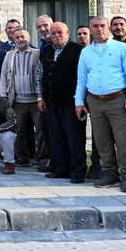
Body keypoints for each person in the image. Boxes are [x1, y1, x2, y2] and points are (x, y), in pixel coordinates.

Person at [75, 16, 126, 193]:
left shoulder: (122, 48)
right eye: (95, 26)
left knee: (123, 140)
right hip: (94, 101)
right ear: (90, 29)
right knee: (102, 140)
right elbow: (81, 78)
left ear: (109, 28)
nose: (99, 29)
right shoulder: (86, 52)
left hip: (117, 100)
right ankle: (111, 172)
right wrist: (79, 101)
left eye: (102, 26)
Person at [37, 22, 86, 182]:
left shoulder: (78, 51)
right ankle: (61, 168)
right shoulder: (47, 51)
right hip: (51, 102)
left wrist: (81, 101)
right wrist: (41, 97)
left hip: (71, 103)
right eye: (53, 33)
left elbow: (83, 78)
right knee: (56, 137)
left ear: (67, 32)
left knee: (74, 138)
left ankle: (78, 171)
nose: (56, 36)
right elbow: (40, 75)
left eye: (60, 32)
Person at [1, 28, 43, 169]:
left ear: (29, 37)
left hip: (36, 101)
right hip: (17, 101)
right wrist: (3, 98)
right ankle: (22, 158)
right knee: (18, 131)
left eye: (23, 36)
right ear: (13, 39)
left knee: (41, 130)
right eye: (17, 37)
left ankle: (42, 159)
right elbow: (3, 77)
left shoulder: (37, 53)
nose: (20, 39)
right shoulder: (9, 55)